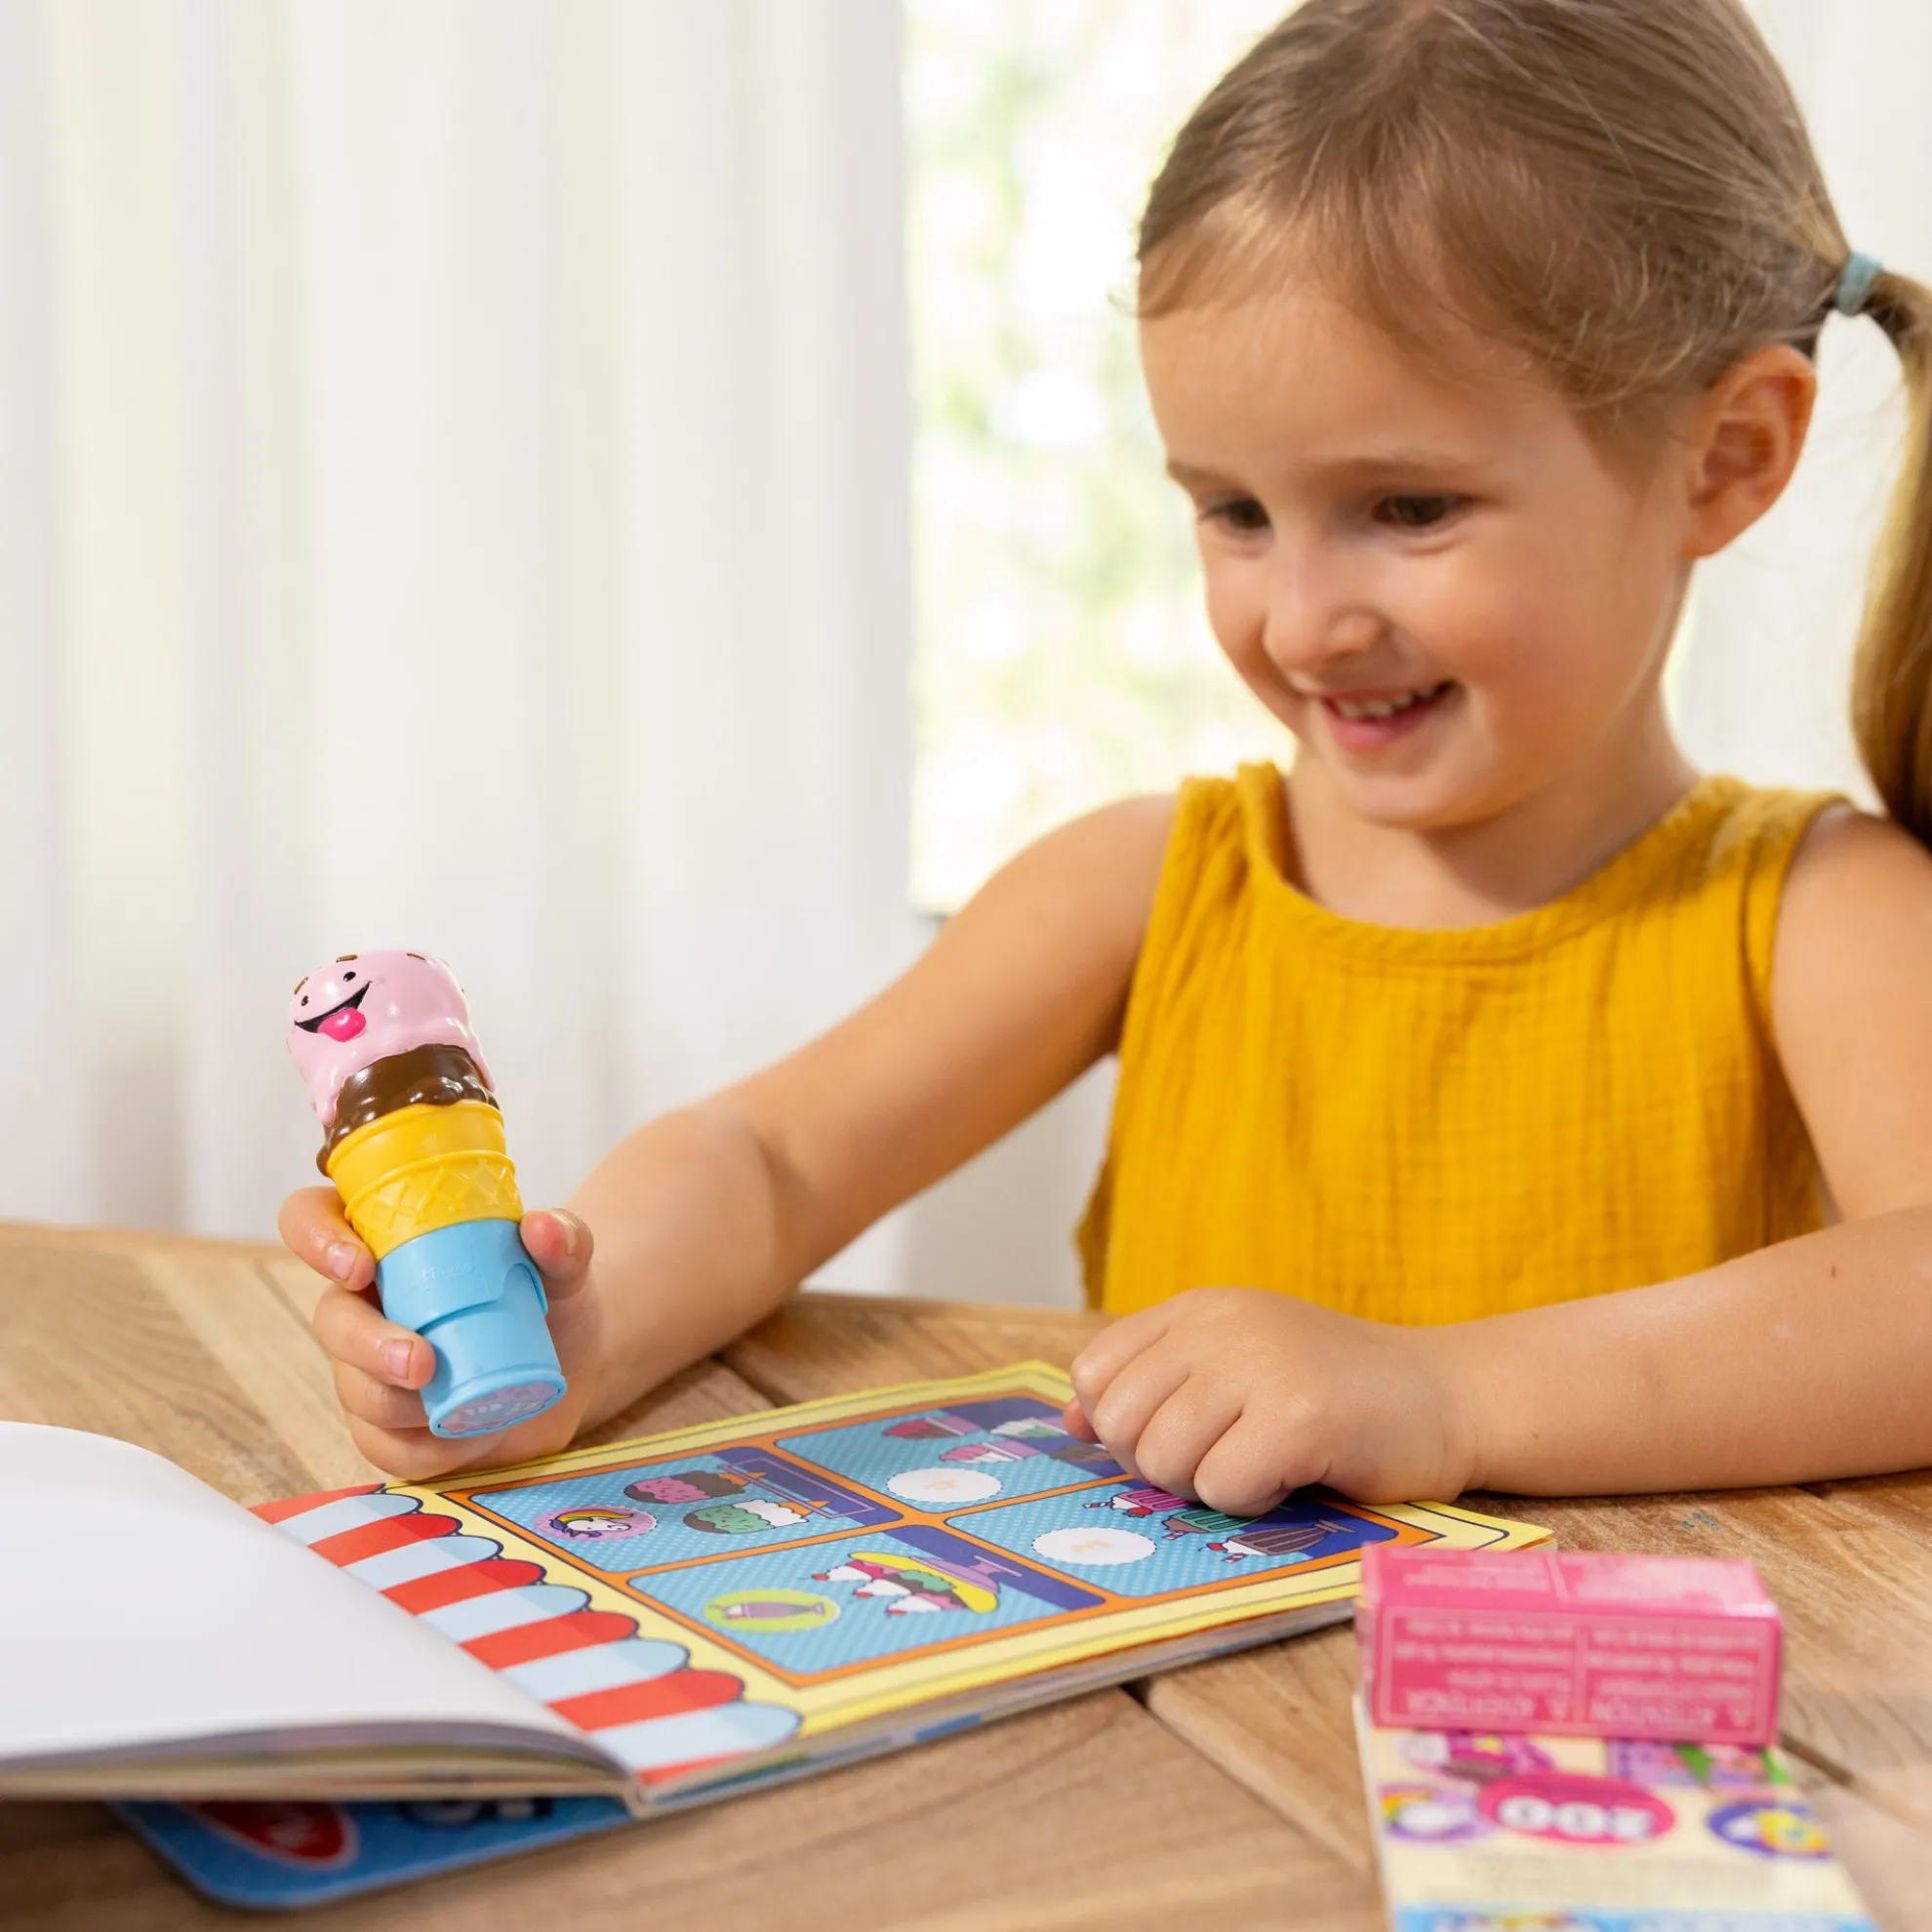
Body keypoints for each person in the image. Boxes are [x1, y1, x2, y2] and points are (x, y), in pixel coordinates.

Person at [282, 0, 1932, 1514]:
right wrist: (582, 1329)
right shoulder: (1151, 885)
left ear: (1728, 457)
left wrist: (1445, 1392)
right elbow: (771, 1162)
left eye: (1409, 507)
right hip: (1176, 1718)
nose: (1302, 622)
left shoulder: (1823, 918)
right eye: (1236, 512)